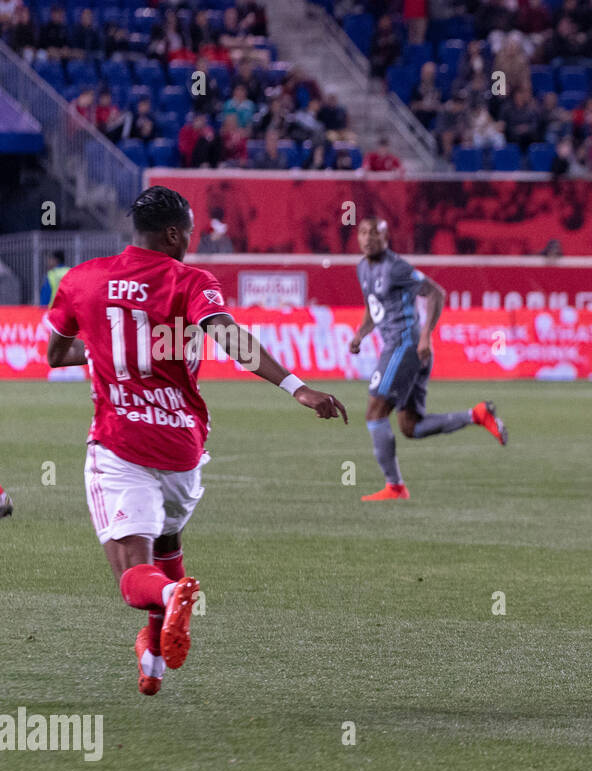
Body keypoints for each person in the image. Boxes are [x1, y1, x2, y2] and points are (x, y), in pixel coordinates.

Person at [43, 186, 347, 696]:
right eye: (190, 233)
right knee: (167, 541)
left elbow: (55, 353)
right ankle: (155, 661)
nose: (192, 241)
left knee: (135, 577)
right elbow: (228, 338)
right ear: (173, 234)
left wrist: (104, 347)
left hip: (122, 446)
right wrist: (296, 387)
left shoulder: (83, 279)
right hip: (183, 451)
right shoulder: (191, 281)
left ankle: (172, 593)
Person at [347, 217, 506, 501]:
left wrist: (425, 336)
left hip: (405, 346)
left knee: (375, 412)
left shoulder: (396, 267)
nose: (368, 238)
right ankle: (477, 415)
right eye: (363, 233)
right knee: (411, 427)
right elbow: (374, 308)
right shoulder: (362, 268)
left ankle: (395, 487)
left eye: (375, 233)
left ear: (386, 238)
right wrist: (361, 334)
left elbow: (435, 292)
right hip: (402, 348)